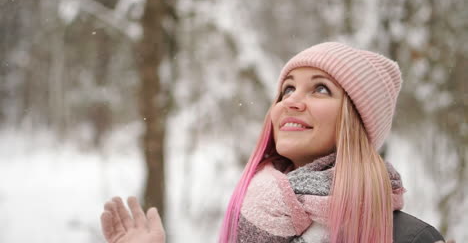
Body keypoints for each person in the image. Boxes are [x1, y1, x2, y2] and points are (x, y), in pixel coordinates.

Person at [100, 42, 448, 243]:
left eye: (321, 88)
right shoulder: (255, 217)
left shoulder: (409, 239)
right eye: (287, 89)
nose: (291, 101)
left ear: (356, 120)